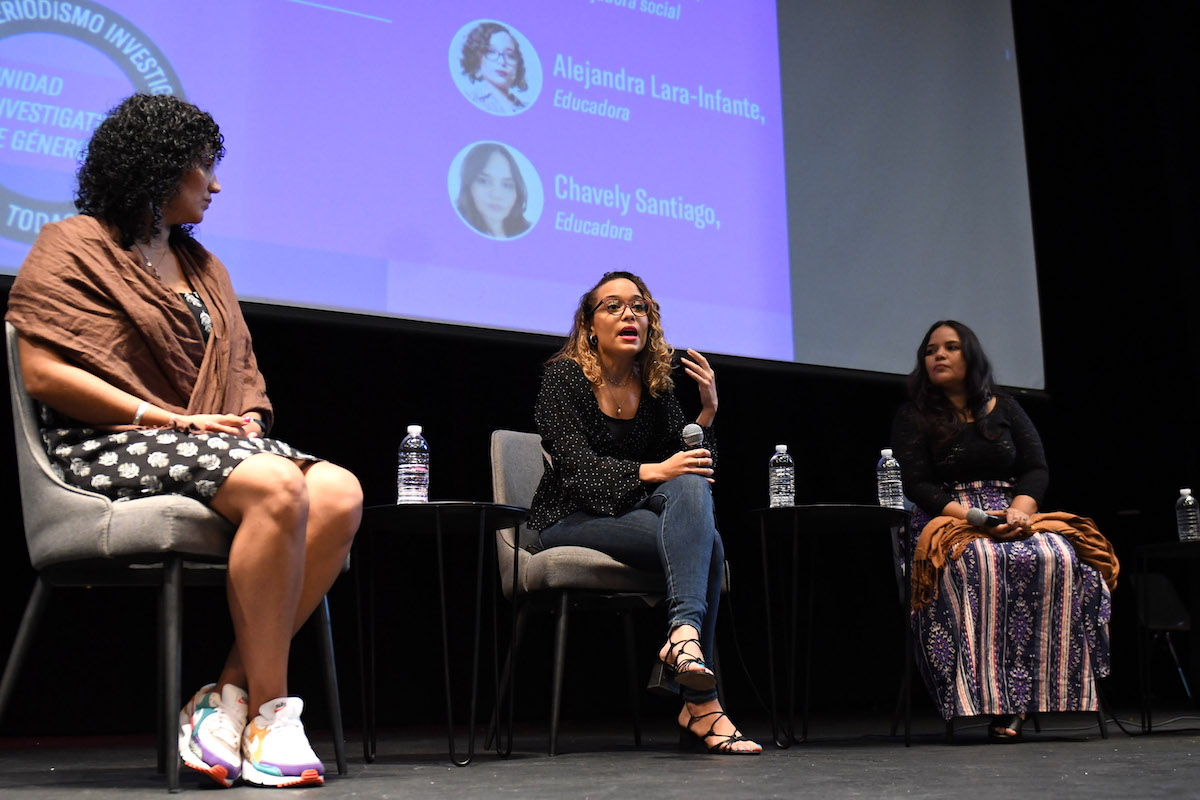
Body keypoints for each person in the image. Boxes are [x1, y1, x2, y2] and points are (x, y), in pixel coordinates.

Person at [5, 94, 362, 787]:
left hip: (205, 443)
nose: (216, 184)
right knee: (277, 483)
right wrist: (166, 419)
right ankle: (272, 712)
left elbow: (242, 372)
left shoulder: (204, 266)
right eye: (204, 167)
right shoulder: (71, 246)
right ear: (158, 169)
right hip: (106, 444)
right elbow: (42, 372)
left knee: (341, 492)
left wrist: (246, 420)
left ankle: (225, 700)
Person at [528, 271, 761, 755]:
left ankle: (683, 638)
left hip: (630, 512)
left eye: (638, 306)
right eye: (612, 306)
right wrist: (656, 470)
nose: (628, 314)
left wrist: (707, 415)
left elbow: (691, 464)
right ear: (589, 326)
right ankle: (702, 706)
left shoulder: (654, 385)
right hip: (569, 517)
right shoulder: (562, 378)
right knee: (710, 547)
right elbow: (580, 474)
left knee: (693, 488)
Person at [891, 320, 1114, 740]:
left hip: (1013, 512)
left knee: (1062, 556)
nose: (937, 355)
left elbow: (1035, 468)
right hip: (949, 516)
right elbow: (918, 484)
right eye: (930, 350)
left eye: (950, 347)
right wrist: (977, 520)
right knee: (979, 560)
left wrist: (1019, 513)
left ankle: (1029, 698)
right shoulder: (912, 416)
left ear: (970, 355)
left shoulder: (1006, 407)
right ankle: (985, 697)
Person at [456, 142, 532, 239]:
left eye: (507, 185)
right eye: (484, 181)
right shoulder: (455, 232)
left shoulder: (527, 233)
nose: (496, 194)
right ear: (469, 184)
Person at [458, 21, 529, 115]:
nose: (502, 62)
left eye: (510, 55)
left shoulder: (524, 107)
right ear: (477, 59)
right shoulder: (472, 99)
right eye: (492, 52)